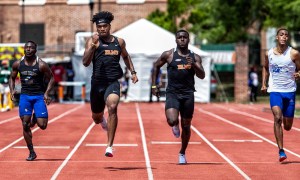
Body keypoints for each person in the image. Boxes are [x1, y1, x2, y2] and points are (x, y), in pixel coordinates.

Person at [82, 11, 138, 157]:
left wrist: (133, 72)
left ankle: (109, 146)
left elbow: (126, 56)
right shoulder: (93, 40)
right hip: (97, 83)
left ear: (109, 26)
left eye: (104, 26)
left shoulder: (119, 42)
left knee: (113, 106)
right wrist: (93, 48)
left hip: (112, 82)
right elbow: (85, 62)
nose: (101, 29)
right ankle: (101, 121)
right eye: (99, 26)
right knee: (96, 118)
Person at [151, 29, 205, 164]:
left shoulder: (195, 57)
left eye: (184, 37)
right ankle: (174, 126)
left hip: (188, 94)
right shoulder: (169, 55)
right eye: (179, 37)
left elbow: (202, 75)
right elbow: (156, 66)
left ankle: (182, 152)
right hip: (173, 93)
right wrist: (154, 85)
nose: (182, 39)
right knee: (171, 120)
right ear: (176, 40)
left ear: (188, 40)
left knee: (186, 126)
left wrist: (193, 64)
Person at [9, 41, 54, 161]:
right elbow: (12, 78)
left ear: (35, 50)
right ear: (24, 49)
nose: (28, 49)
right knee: (25, 124)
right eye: (26, 47)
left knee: (42, 125)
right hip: (25, 97)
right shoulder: (18, 64)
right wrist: (12, 90)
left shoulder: (41, 65)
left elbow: (51, 78)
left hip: (38, 96)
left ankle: (35, 118)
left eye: (31, 47)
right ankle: (31, 152)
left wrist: (46, 93)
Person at [261, 28, 300, 162]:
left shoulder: (294, 53)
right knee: (277, 117)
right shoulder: (269, 53)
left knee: (287, 126)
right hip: (275, 90)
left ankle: (285, 121)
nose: (284, 37)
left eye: (286, 35)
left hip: (289, 92)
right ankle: (281, 151)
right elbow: (265, 67)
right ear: (277, 37)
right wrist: (264, 83)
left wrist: (298, 74)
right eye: (281, 35)